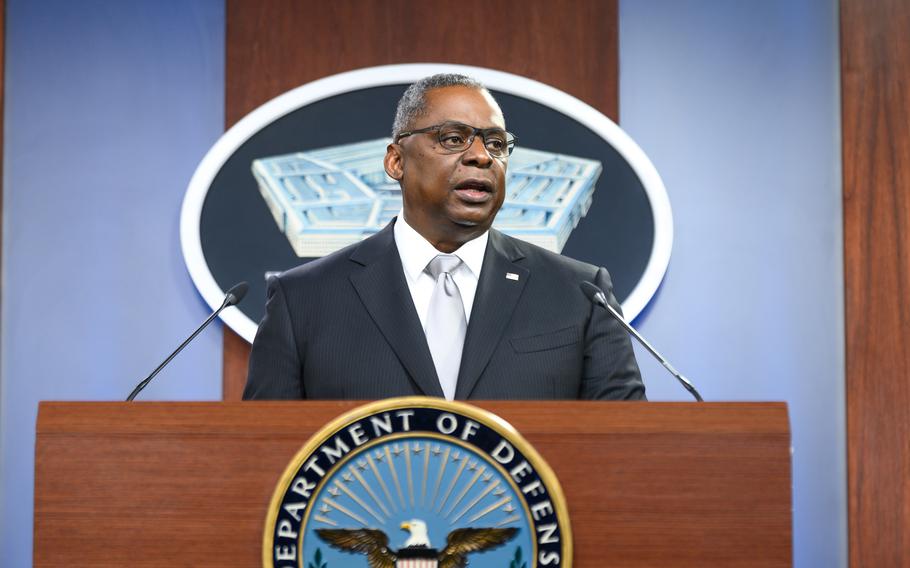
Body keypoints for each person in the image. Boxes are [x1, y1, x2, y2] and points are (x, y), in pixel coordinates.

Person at [243, 73, 645, 401]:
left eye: (496, 144)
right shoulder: (303, 301)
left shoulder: (580, 295)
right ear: (396, 161)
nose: (481, 156)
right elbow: (265, 457)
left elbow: (626, 450)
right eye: (453, 139)